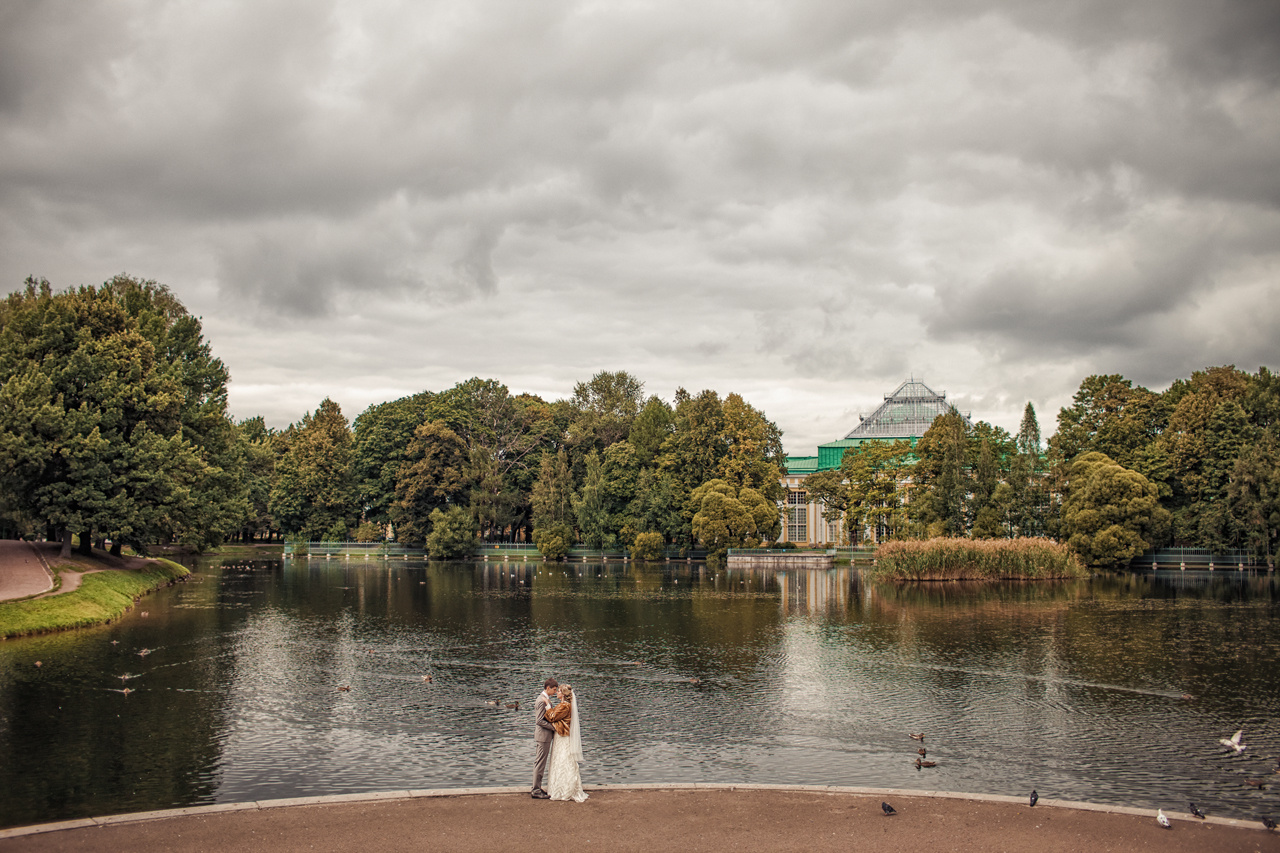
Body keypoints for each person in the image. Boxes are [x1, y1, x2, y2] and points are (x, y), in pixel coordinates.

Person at [543, 683, 588, 802]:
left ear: (563, 694)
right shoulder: (565, 705)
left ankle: (563, 789)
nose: (557, 692)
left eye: (559, 691)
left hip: (562, 736)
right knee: (564, 760)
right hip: (562, 736)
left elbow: (552, 717)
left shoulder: (564, 706)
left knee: (562, 760)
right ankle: (562, 787)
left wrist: (547, 706)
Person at [531, 677, 558, 799]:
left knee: (540, 762)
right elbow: (539, 721)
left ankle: (537, 787)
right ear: (548, 688)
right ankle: (536, 790)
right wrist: (554, 727)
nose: (555, 692)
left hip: (544, 736)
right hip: (543, 736)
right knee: (540, 763)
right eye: (554, 689)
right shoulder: (541, 701)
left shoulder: (545, 699)